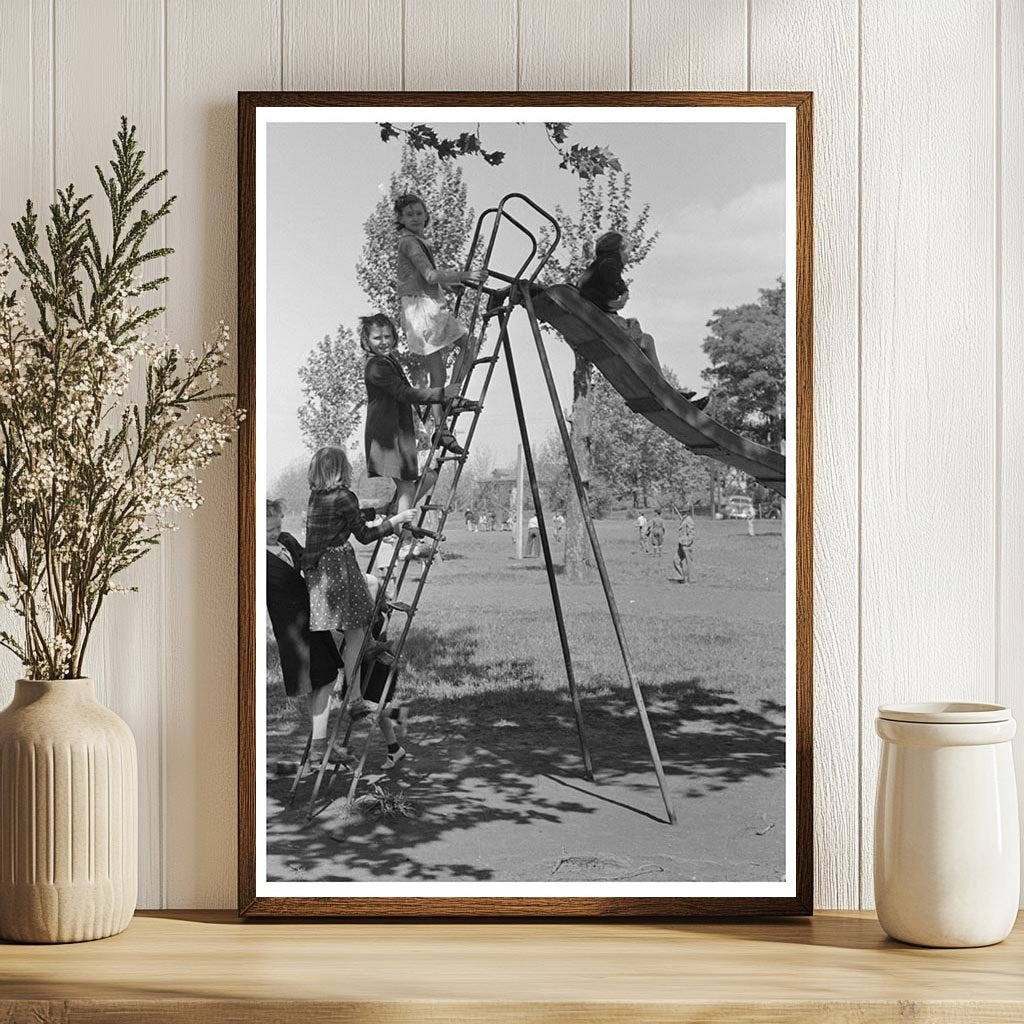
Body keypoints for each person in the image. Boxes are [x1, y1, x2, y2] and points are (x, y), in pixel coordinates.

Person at [302, 446, 417, 767]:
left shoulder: (317, 498)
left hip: (319, 577)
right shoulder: (344, 496)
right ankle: (354, 698)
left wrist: (374, 510)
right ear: (341, 469)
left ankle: (353, 694)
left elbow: (345, 518)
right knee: (356, 636)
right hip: (339, 573)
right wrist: (394, 521)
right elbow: (364, 536)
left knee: (350, 635)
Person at [395, 191, 485, 454]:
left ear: (426, 215)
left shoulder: (419, 242)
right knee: (467, 347)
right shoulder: (409, 243)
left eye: (419, 213)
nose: (415, 218)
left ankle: (441, 421)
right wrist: (467, 274)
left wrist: (451, 285)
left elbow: (425, 279)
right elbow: (430, 275)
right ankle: (449, 401)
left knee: (441, 370)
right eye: (409, 214)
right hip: (422, 310)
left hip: (423, 306)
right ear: (400, 219)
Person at [578, 231, 709, 409]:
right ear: (618, 250)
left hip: (598, 324)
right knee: (646, 340)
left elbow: (594, 294)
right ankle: (664, 389)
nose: (628, 258)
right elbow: (610, 269)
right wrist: (624, 291)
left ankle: (665, 388)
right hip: (605, 326)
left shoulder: (593, 271)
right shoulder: (610, 261)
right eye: (628, 252)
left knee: (644, 339)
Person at [265, 499, 342, 764]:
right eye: (267, 531)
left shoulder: (285, 541)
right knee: (322, 678)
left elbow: (307, 558)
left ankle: (319, 742)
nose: (274, 533)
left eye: (277, 526)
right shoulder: (255, 559)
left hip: (312, 617)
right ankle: (319, 744)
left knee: (324, 677)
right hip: (292, 628)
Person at [362, 313, 449, 521]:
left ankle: (394, 512)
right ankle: (401, 533)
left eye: (387, 336)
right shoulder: (377, 366)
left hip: (403, 431)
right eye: (377, 338)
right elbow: (403, 393)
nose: (384, 342)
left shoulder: (388, 360)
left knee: (428, 475)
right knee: (407, 486)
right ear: (367, 341)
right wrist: (440, 393)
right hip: (389, 437)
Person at [674, 512, 696, 583]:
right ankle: (680, 578)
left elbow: (691, 532)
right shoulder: (683, 519)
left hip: (686, 545)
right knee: (676, 560)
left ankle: (692, 579)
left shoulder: (689, 520)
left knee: (689, 562)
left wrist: (688, 542)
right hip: (681, 544)